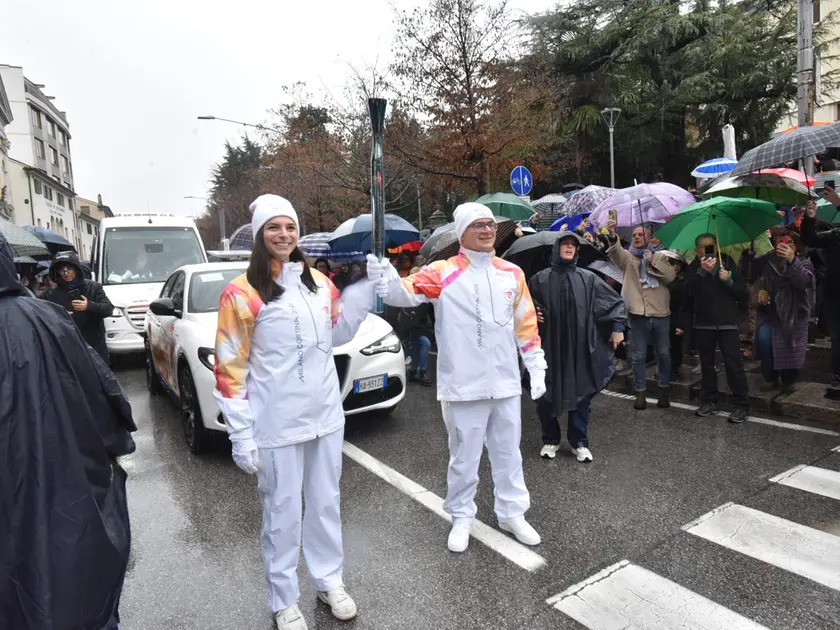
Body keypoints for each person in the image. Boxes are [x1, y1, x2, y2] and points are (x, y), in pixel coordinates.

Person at [214, 195, 382, 630]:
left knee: (326, 504)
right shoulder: (241, 292)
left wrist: (363, 293)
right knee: (282, 512)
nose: (283, 235)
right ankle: (284, 599)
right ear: (259, 234)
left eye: (289, 227)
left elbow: (337, 332)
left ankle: (328, 581)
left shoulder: (317, 283)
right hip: (276, 421)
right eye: (274, 228)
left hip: (325, 415)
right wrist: (241, 433)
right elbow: (230, 365)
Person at [367, 202, 547, 553]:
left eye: (490, 225)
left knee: (509, 455)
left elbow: (525, 324)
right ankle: (462, 516)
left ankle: (512, 513)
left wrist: (535, 364)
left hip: (506, 383)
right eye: (478, 225)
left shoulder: (511, 273)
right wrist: (384, 278)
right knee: (464, 459)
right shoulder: (443, 271)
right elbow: (401, 293)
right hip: (462, 385)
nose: (486, 230)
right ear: (462, 232)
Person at [0, 233, 136, 630]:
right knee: (69, 585)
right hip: (61, 481)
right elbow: (103, 399)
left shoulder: (50, 310)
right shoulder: (43, 317)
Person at [528, 232, 627, 462]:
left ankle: (579, 442)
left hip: (581, 347)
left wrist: (618, 327)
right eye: (565, 244)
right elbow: (522, 303)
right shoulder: (539, 279)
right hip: (548, 348)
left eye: (573, 245)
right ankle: (550, 439)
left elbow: (613, 301)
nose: (570, 248)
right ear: (557, 248)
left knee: (581, 393)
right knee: (546, 394)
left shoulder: (588, 279)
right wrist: (533, 309)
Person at [606, 220, 677, 409]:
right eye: (634, 235)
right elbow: (615, 252)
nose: (636, 237)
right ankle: (640, 392)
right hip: (638, 314)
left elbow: (670, 277)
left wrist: (652, 258)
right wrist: (612, 235)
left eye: (640, 235)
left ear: (650, 238)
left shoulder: (661, 256)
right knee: (638, 356)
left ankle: (663, 389)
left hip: (661, 312)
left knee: (664, 354)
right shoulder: (627, 257)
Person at [682, 235, 750, 423]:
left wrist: (728, 280)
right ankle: (709, 400)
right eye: (702, 247)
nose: (706, 251)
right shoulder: (694, 267)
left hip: (727, 323)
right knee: (707, 366)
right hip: (704, 323)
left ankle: (741, 404)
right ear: (697, 250)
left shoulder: (727, 262)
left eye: (710, 247)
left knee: (733, 365)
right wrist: (702, 273)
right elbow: (688, 293)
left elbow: (743, 294)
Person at [753, 229, 815, 394]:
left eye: (790, 243)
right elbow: (753, 271)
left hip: (793, 315)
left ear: (796, 246)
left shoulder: (804, 262)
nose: (786, 246)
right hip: (770, 313)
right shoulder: (769, 262)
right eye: (781, 243)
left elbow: (802, 282)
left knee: (789, 349)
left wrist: (791, 260)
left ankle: (789, 380)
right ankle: (770, 377)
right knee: (764, 342)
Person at [801, 195, 840, 393]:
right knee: (837, 337)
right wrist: (809, 217)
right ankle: (837, 376)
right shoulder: (835, 234)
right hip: (834, 295)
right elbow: (809, 239)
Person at [46, 250, 113, 362]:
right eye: (62, 269)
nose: (66, 273)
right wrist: (59, 315)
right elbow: (42, 315)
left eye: (69, 269)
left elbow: (108, 309)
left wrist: (89, 306)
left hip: (93, 345)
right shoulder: (50, 293)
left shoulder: (93, 287)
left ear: (76, 269)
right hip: (65, 347)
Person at [398, 302, 434, 386]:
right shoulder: (416, 302)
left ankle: (414, 371)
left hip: (415, 328)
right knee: (424, 344)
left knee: (417, 348)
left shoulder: (420, 302)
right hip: (412, 329)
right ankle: (421, 371)